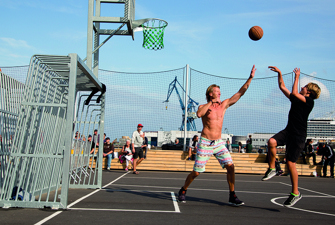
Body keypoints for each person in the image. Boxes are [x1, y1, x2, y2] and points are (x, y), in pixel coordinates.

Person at [177, 65, 256, 206]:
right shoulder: (203, 106)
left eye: (220, 92)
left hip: (219, 143)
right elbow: (199, 114)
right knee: (196, 172)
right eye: (217, 92)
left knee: (231, 166)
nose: (219, 94)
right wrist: (210, 102)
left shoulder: (224, 105)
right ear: (210, 94)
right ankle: (183, 190)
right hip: (205, 143)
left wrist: (250, 78)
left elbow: (240, 93)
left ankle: (232, 195)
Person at [262, 66, 321, 207]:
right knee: (271, 141)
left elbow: (294, 92)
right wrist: (280, 74)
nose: (302, 87)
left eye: (305, 87)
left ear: (310, 92)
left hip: (298, 136)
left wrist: (296, 77)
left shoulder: (309, 102)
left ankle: (295, 193)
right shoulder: (296, 100)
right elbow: (282, 87)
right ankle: (272, 168)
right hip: (289, 131)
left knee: (290, 163)